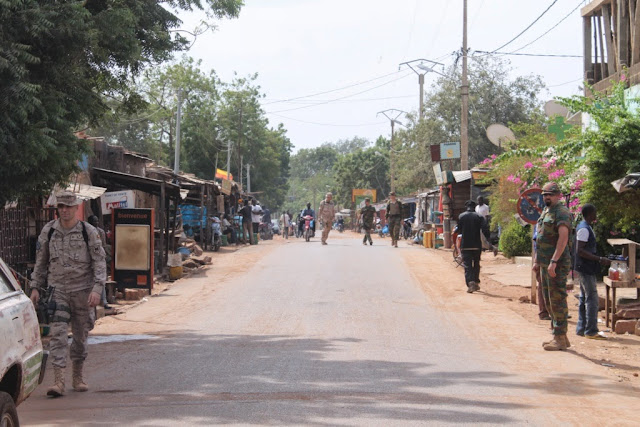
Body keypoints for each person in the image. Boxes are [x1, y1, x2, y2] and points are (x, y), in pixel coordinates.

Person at [29, 191, 106, 397]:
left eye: (68, 206)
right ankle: (58, 381)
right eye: (61, 206)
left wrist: (97, 289)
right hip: (58, 292)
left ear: (75, 208)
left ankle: (78, 376)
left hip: (82, 291)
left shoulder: (88, 231)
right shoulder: (49, 231)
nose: (64, 210)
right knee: (58, 335)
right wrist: (35, 287)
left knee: (80, 336)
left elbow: (99, 261)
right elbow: (41, 261)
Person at [533, 182, 572, 351]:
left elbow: (563, 239)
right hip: (544, 262)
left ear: (558, 196)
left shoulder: (562, 213)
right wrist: (536, 261)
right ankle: (561, 337)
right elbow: (539, 237)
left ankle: (559, 336)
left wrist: (554, 261)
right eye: (544, 194)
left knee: (557, 299)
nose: (546, 197)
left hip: (556, 264)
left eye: (550, 194)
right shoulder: (546, 211)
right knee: (549, 300)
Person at [575, 203, 611, 340]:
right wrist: (599, 259)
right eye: (595, 213)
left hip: (585, 267)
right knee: (592, 298)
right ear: (590, 214)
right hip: (585, 267)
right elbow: (580, 250)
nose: (596, 215)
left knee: (584, 297)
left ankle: (581, 328)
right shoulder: (584, 229)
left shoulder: (586, 227)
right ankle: (591, 330)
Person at [455, 200, 484, 293]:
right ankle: (476, 282)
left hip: (465, 245)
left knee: (467, 266)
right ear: (474, 207)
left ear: (466, 207)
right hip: (476, 245)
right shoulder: (479, 216)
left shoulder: (461, 216)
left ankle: (470, 283)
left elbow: (458, 230)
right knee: (476, 264)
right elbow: (485, 230)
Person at [87, 215, 110, 309]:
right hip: (88, 261)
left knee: (101, 281)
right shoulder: (85, 231)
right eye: (94, 222)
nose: (96, 223)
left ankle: (104, 302)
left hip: (98, 259)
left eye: (97, 221)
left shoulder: (100, 232)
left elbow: (103, 246)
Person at [533, 223, 550, 321]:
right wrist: (536, 261)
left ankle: (554, 311)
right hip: (543, 258)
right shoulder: (542, 221)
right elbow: (537, 242)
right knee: (542, 284)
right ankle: (543, 312)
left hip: (553, 258)